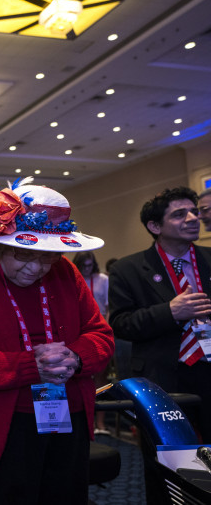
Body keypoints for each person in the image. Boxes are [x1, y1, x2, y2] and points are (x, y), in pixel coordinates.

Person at [0, 179, 114, 505]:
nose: (36, 268)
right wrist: (29, 366)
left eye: (48, 258)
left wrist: (75, 357)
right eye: (23, 255)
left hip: (67, 416)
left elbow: (100, 335)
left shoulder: (66, 273)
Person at [109, 187, 211, 441]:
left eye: (194, 212)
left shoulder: (209, 259)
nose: (192, 218)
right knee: (170, 458)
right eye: (179, 214)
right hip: (162, 377)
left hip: (209, 372)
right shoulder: (128, 269)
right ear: (155, 226)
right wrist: (171, 312)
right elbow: (121, 324)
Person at [72, 251, 110, 434]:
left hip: (99, 326)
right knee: (80, 377)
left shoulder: (102, 279)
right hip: (78, 330)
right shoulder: (72, 277)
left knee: (101, 379)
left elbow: (109, 307)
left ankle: (101, 423)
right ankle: (84, 421)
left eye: (90, 265)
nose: (87, 269)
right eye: (84, 266)